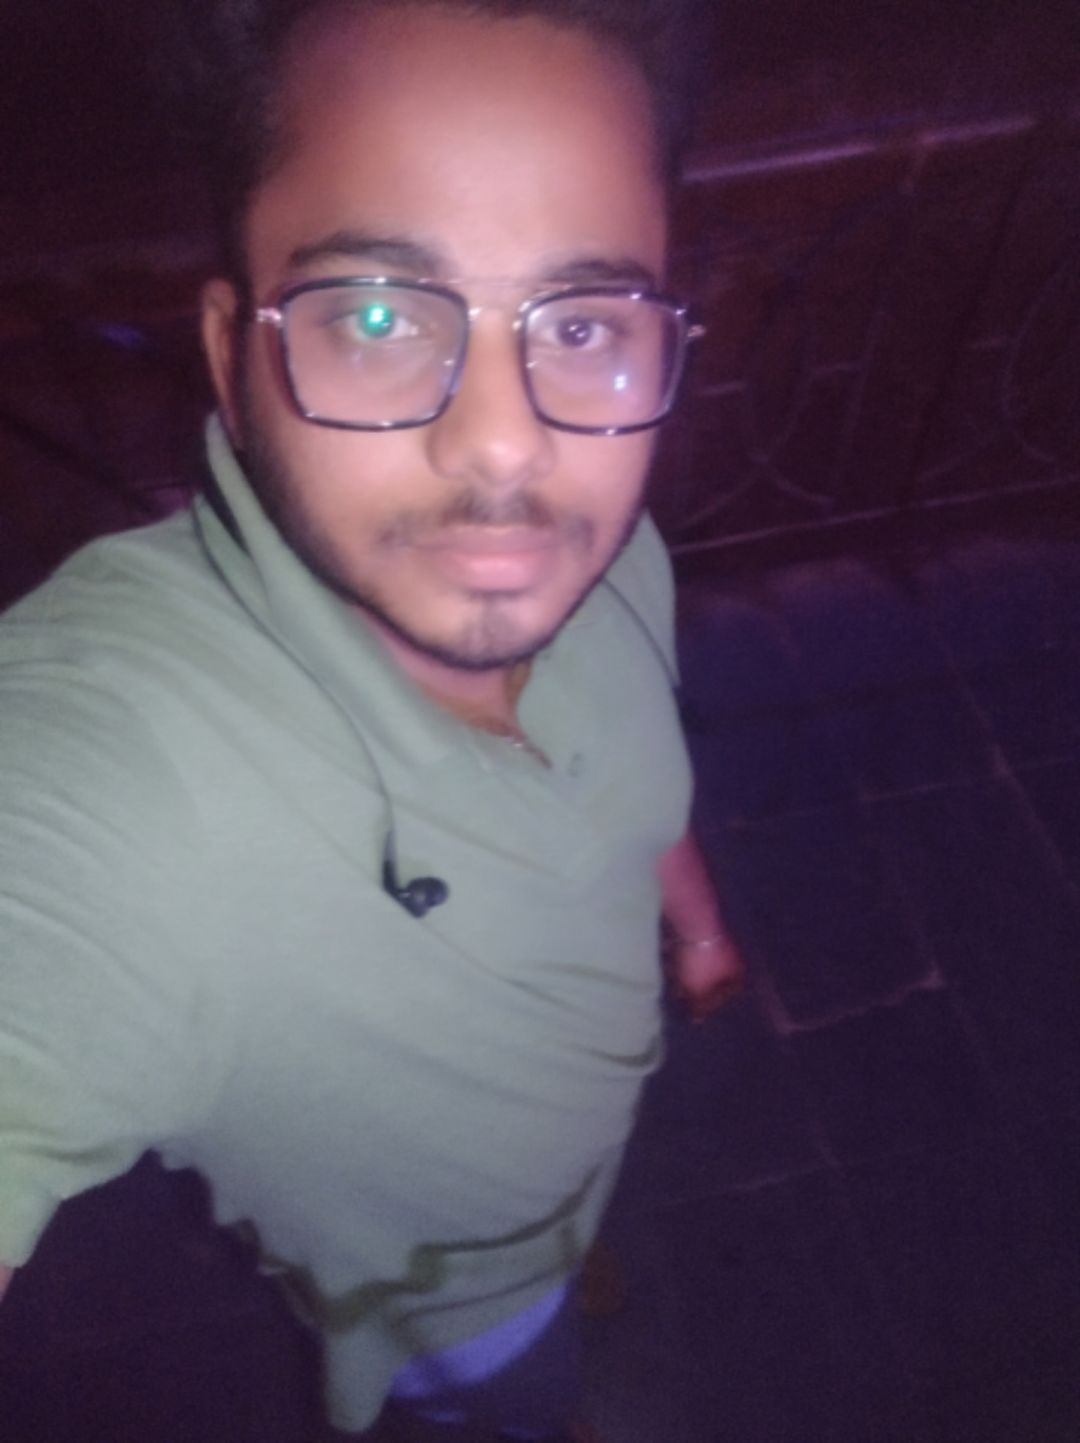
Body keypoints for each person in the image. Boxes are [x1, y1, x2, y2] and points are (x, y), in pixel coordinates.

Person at [0, 1, 743, 1437]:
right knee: (520, 1396)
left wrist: (698, 930)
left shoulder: (609, 561)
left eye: (584, 323)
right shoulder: (128, 769)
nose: (507, 445)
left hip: (582, 1155)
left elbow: (641, 773)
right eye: (381, 317)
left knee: (571, 1255)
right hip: (441, 1298)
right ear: (233, 357)